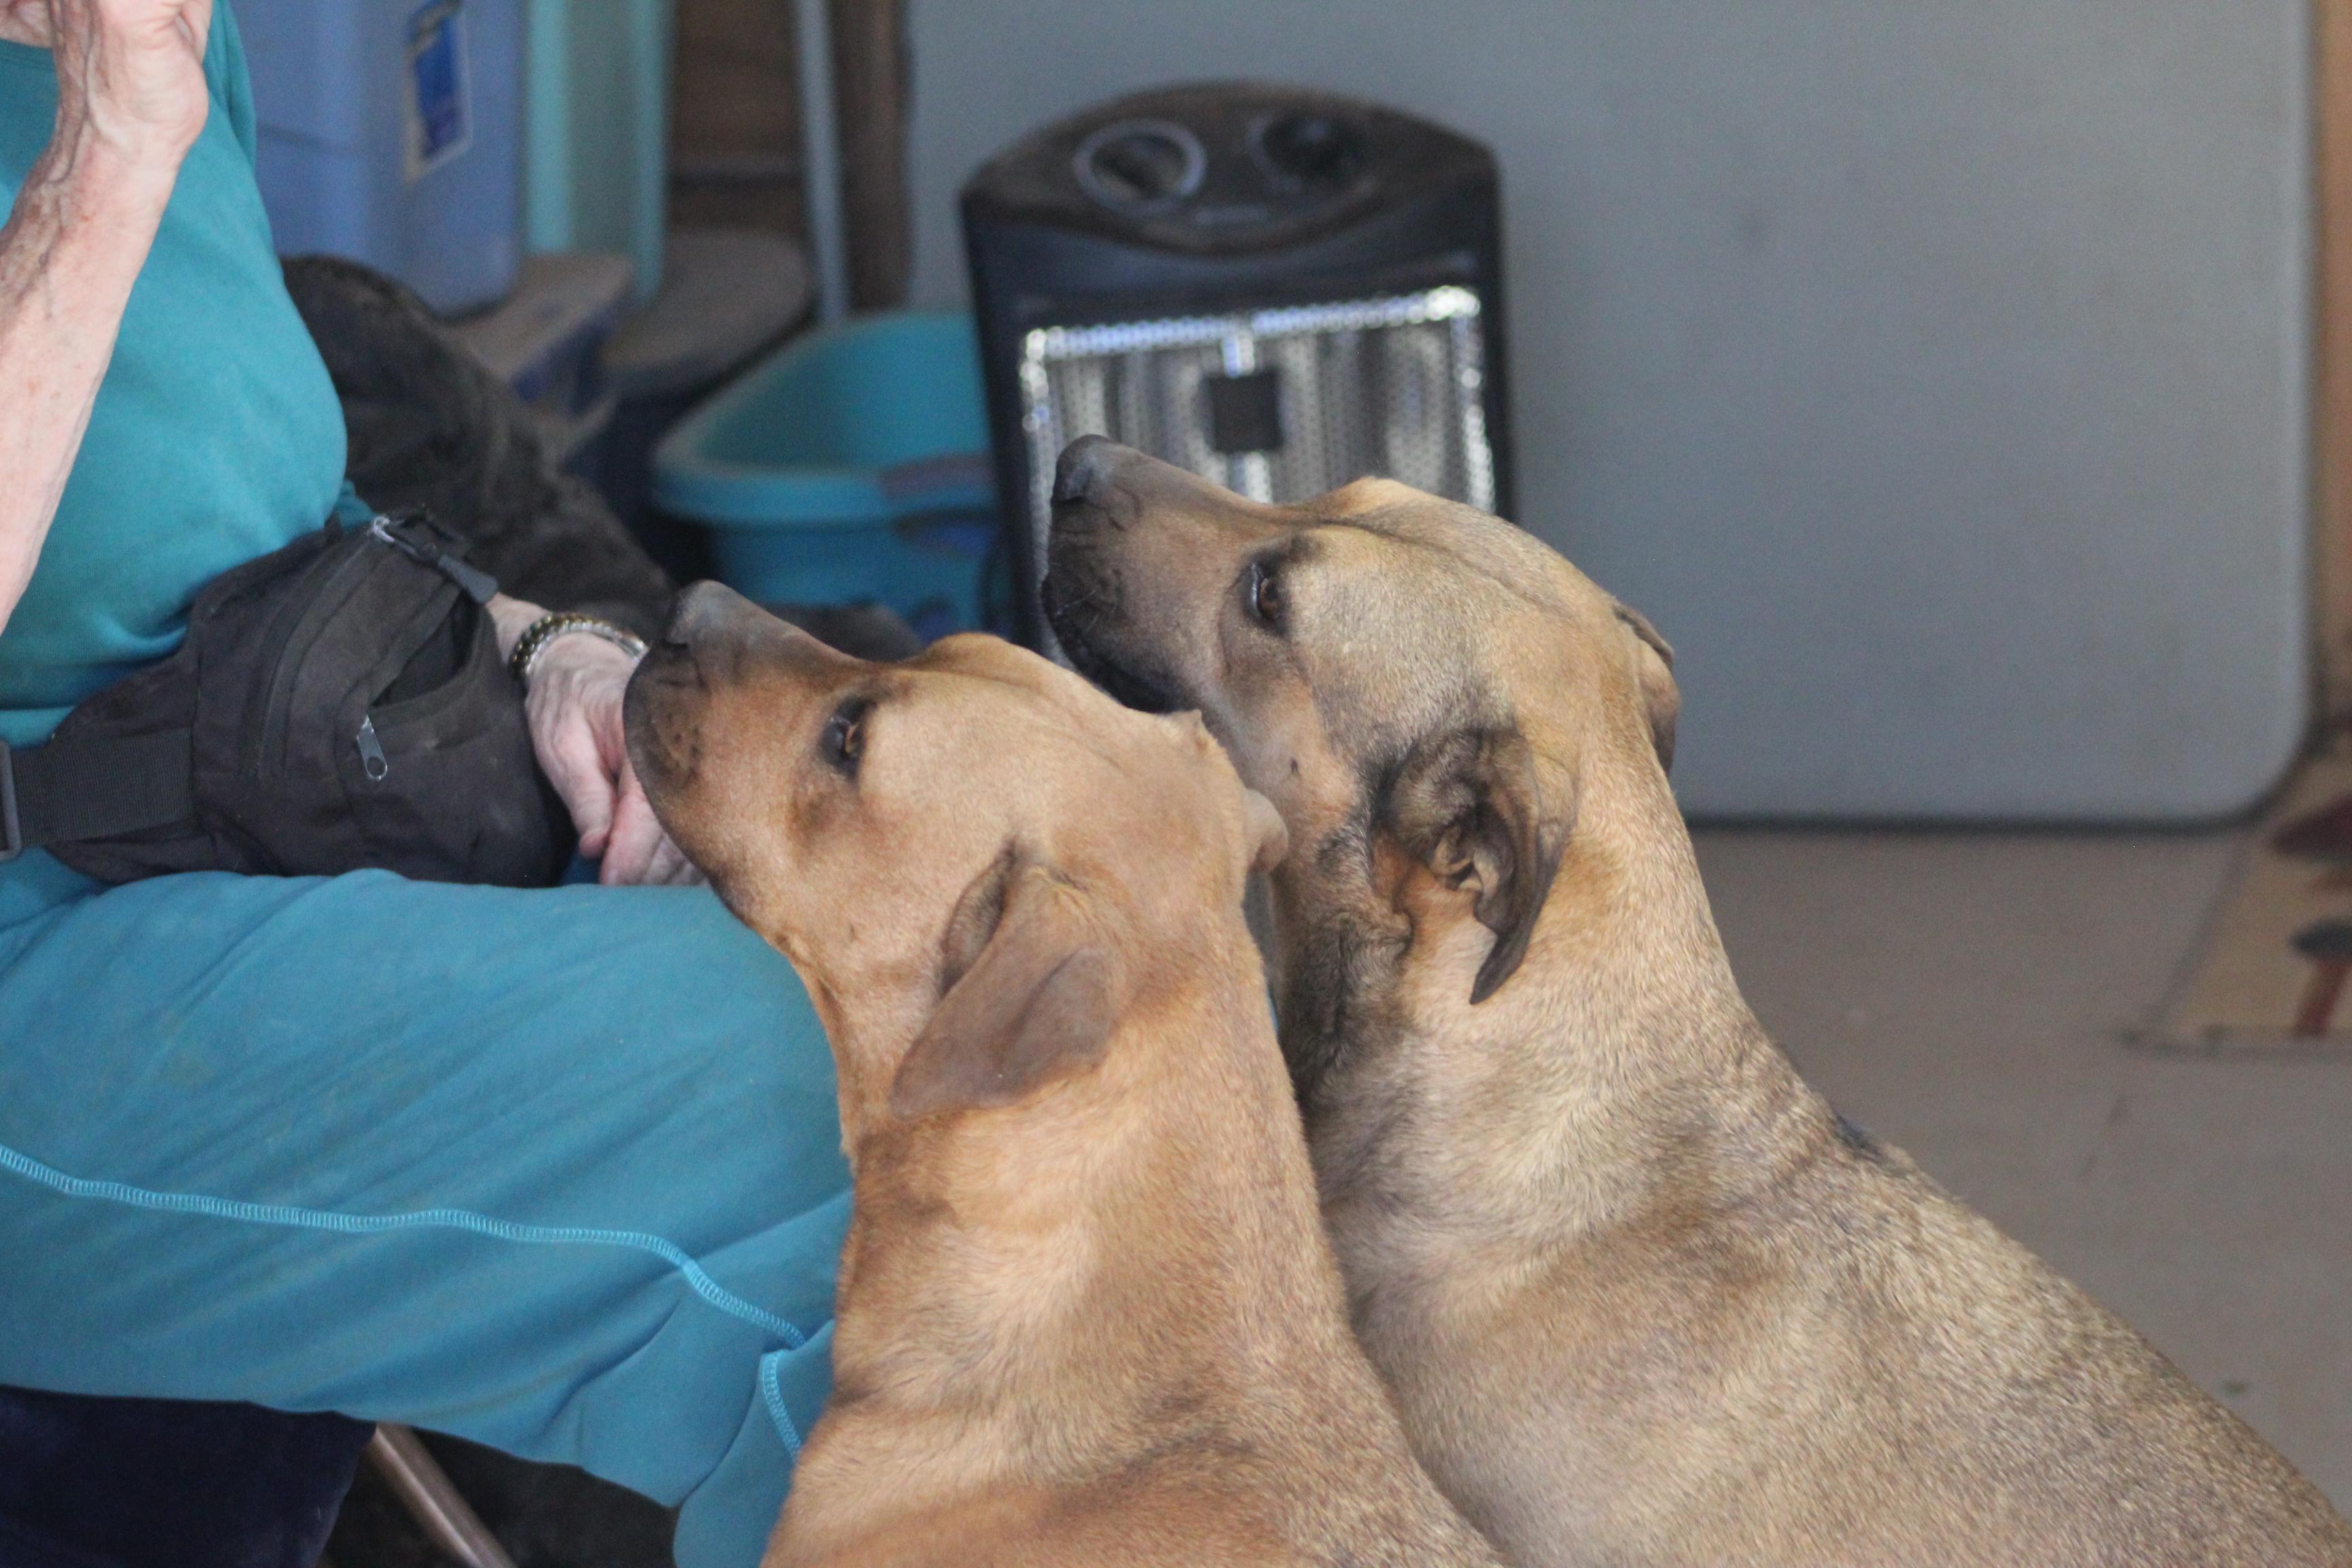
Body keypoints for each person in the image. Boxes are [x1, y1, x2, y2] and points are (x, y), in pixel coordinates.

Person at [0, 5, 848, 1565]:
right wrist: (106, 157)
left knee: (900, 943)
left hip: (262, 797)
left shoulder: (154, 43)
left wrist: (550, 645)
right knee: (802, 1110)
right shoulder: (119, 89)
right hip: (44, 944)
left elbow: (262, 496)